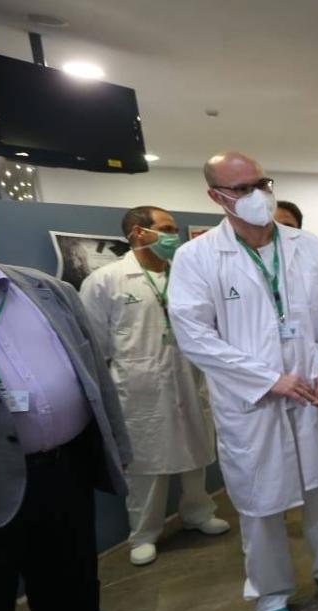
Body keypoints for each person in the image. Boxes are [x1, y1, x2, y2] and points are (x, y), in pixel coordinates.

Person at [169, 151, 318, 611]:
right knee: (261, 500)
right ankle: (272, 595)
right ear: (216, 196)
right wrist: (266, 379)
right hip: (252, 402)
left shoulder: (306, 246)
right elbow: (194, 336)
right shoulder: (197, 257)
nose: (257, 195)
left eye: (262, 183)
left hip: (314, 389)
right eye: (242, 188)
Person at [0, 263, 164, 611]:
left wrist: (116, 442)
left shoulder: (42, 288)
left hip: (62, 466)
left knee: (71, 582)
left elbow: (94, 372)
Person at [79, 206, 228, 567]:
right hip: (139, 387)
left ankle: (198, 512)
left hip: (189, 378)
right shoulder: (106, 280)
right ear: (137, 232)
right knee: (146, 465)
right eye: (166, 228)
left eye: (174, 229)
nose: (173, 235)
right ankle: (144, 534)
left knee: (196, 451)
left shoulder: (186, 275)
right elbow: (95, 344)